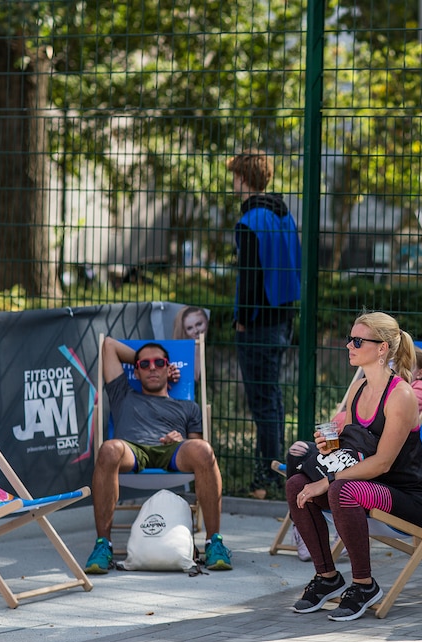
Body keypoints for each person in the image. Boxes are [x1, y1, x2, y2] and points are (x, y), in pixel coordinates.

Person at [286, 311, 422, 621]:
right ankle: (327, 577)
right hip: (363, 486)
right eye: (349, 339)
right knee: (296, 484)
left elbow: (382, 462)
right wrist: (330, 447)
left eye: (357, 340)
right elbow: (354, 448)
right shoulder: (358, 389)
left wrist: (327, 480)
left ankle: (364, 585)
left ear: (381, 349)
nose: (348, 346)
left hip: (404, 497)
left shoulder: (401, 396)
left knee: (340, 488)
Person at [84, 337, 232, 574]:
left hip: (172, 451)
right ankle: (103, 545)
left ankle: (214, 542)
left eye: (159, 363)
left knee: (202, 449)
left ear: (168, 367)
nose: (152, 368)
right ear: (136, 370)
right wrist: (143, 360)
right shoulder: (122, 392)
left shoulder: (187, 407)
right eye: (145, 365)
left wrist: (181, 441)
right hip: (132, 450)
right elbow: (109, 345)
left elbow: (196, 448)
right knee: (109, 449)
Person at [227, 149, 301, 500]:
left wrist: (242, 319)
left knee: (262, 401)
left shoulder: (250, 221)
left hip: (258, 324)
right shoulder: (284, 216)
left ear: (242, 179)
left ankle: (266, 476)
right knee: (272, 398)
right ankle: (274, 468)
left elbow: (251, 278)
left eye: (234, 177)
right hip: (283, 319)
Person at [171, 305, 209, 380]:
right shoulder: (179, 355)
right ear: (184, 331)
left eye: (199, 324)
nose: (196, 331)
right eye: (189, 328)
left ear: (207, 322)